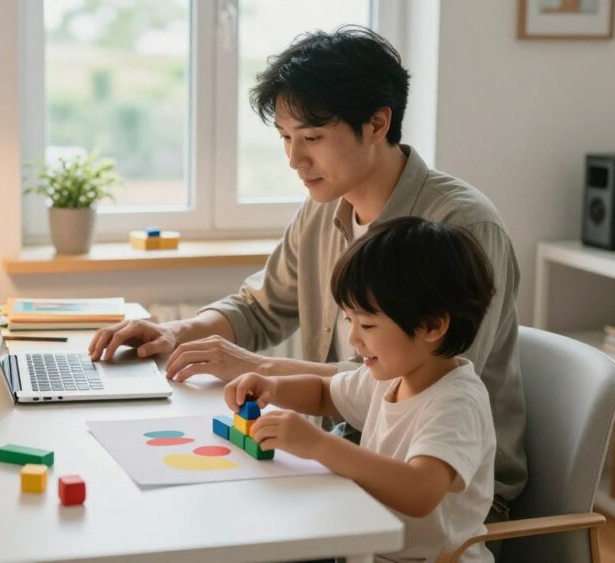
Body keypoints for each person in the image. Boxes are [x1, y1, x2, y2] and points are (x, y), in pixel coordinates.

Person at [87, 26, 526, 526]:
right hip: (349, 453)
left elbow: (419, 379)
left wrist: (263, 370)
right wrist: (174, 333)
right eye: (285, 139)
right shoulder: (325, 206)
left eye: (312, 138)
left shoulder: (461, 227)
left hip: (448, 500)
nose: (294, 160)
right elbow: (261, 306)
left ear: (378, 123)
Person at [230, 217, 497, 562]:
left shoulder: (456, 402)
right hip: (370, 550)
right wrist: (271, 386)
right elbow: (326, 394)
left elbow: (420, 491)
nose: (354, 339)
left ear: (432, 325)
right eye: (349, 321)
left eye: (367, 325)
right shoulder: (391, 375)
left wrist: (317, 444)